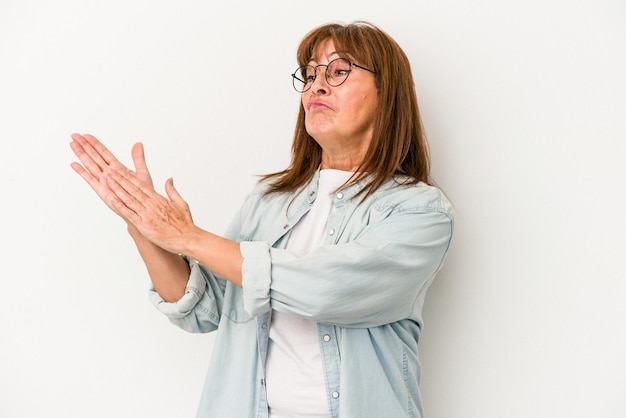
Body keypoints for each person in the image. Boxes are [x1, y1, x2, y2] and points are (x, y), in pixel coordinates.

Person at [70, 20, 454, 418]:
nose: (316, 86)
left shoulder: (419, 211)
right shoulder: (268, 201)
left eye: (339, 71)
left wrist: (187, 236)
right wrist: (141, 223)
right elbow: (204, 310)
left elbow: (324, 289)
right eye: (309, 74)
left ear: (387, 94)